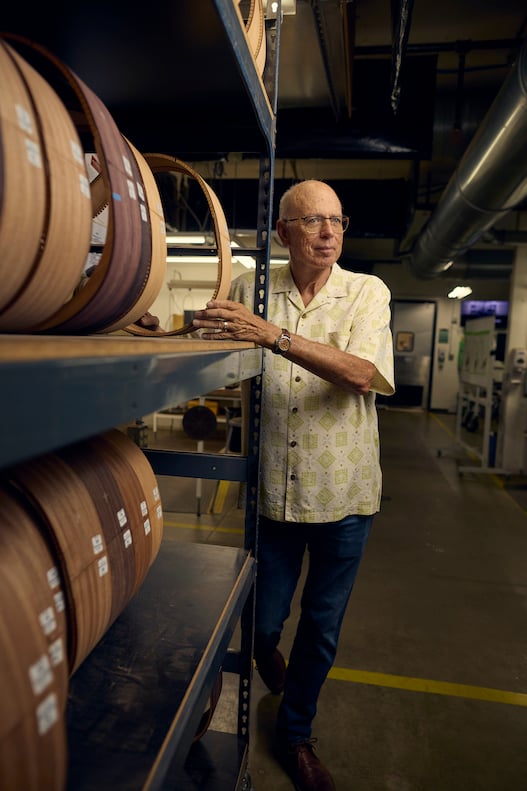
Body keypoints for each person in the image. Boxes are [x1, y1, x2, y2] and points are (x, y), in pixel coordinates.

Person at [192, 179, 395, 791]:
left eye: (336, 220)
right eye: (312, 222)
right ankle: (266, 649)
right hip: (276, 494)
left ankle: (297, 733)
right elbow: (210, 345)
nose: (329, 233)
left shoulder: (367, 291)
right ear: (283, 233)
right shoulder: (254, 291)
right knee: (261, 621)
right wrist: (162, 326)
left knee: (322, 627)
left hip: (344, 497)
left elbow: (364, 373)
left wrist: (273, 336)